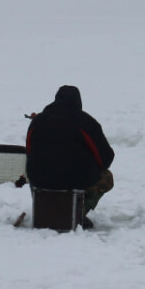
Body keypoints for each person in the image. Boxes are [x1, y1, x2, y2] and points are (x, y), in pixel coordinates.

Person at [24, 85, 115, 229]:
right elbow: (106, 157)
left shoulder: (38, 121)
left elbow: (29, 152)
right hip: (75, 181)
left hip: (39, 179)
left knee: (31, 166)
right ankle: (78, 212)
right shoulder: (86, 122)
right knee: (106, 177)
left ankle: (45, 210)